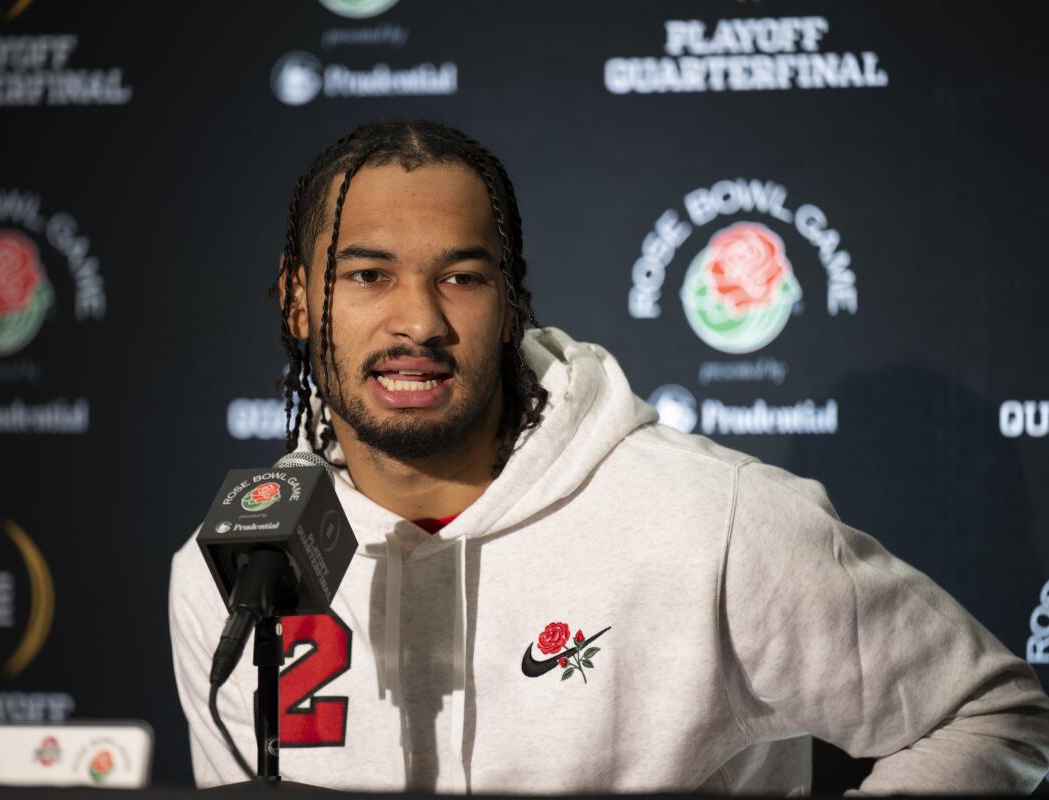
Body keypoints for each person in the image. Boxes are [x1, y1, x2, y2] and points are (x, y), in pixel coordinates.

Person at [169, 120, 1049, 793]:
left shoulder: (714, 521)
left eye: (462, 277)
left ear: (511, 301)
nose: (419, 323)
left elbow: (998, 717)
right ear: (296, 300)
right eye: (368, 276)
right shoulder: (231, 574)